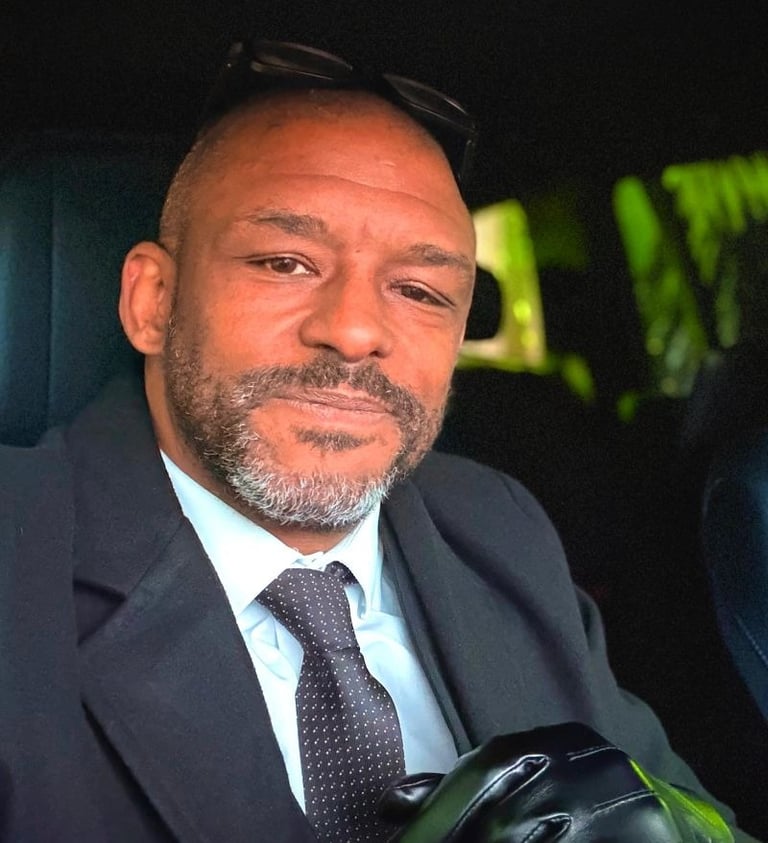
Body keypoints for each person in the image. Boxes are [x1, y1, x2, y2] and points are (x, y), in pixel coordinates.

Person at [0, 39, 757, 842]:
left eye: (420, 290)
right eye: (286, 261)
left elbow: (693, 808)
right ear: (152, 300)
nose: (356, 330)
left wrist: (670, 826)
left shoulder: (496, 524)